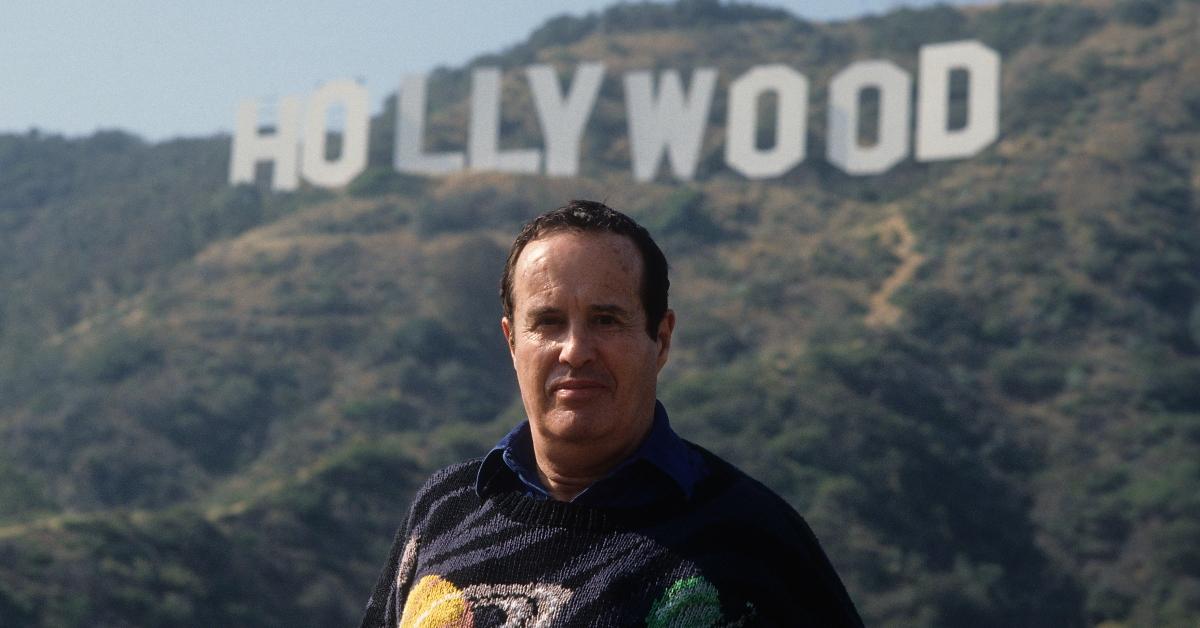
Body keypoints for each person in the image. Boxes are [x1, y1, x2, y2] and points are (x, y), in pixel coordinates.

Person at [360, 200, 862, 627]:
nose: (575, 350)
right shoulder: (445, 509)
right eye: (549, 322)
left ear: (660, 339)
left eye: (606, 320)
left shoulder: (754, 536)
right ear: (512, 341)